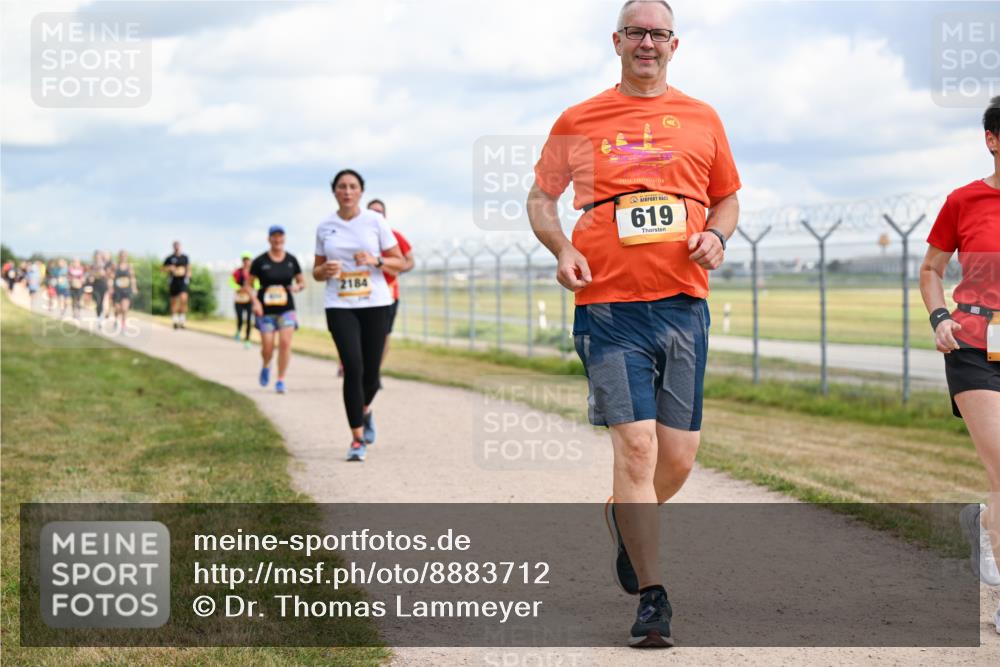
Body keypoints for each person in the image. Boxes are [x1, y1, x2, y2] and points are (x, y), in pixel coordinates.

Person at [527, 0, 740, 647]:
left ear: (675, 45)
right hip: (608, 310)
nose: (647, 42)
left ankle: (624, 514)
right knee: (638, 447)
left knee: (677, 455)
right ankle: (653, 597)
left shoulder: (703, 117)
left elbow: (728, 195)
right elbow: (541, 196)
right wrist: (562, 247)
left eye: (659, 33)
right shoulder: (580, 118)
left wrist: (716, 234)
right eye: (636, 32)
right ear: (616, 40)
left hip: (682, 305)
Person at [920, 95, 1000, 634]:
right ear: (993, 141)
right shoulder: (963, 201)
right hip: (975, 347)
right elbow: (930, 269)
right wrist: (939, 317)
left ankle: (983, 522)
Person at [314, 169, 405, 462]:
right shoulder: (325, 226)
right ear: (335, 192)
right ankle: (356, 439)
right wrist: (324, 270)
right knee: (352, 366)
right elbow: (316, 272)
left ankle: (364, 409)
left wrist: (375, 260)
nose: (347, 191)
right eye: (342, 186)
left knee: (371, 373)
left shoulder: (375, 222)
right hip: (339, 304)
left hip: (376, 302)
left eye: (353, 186)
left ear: (361, 192)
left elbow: (400, 262)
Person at [248, 227, 305, 394]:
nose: (277, 239)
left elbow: (302, 282)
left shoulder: (291, 260)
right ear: (269, 239)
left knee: (285, 344)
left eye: (280, 236)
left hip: (286, 309)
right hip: (265, 311)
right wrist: (255, 302)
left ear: (284, 239)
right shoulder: (260, 261)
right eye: (274, 236)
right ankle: (266, 364)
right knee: (267, 347)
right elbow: (248, 285)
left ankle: (280, 379)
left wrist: (297, 287)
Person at [366, 199, 415, 368]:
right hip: (363, 292)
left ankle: (374, 372)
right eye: (372, 212)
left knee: (384, 334)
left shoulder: (394, 236)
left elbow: (409, 261)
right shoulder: (359, 237)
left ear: (385, 216)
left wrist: (396, 269)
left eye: (379, 212)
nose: (376, 215)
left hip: (388, 294)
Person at [162, 241, 190, 329]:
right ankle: (175, 320)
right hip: (173, 281)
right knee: (174, 302)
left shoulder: (185, 257)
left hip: (182, 282)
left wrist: (189, 273)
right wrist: (169, 268)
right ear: (173, 247)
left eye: (178, 246)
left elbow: (188, 268)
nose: (177, 248)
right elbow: (162, 269)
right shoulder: (169, 258)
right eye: (175, 246)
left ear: (180, 247)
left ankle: (182, 321)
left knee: (183, 300)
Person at [231, 252, 255, 347]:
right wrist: (239, 288)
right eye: (244, 260)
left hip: (249, 299)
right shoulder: (237, 272)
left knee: (249, 319)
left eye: (248, 260)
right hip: (239, 299)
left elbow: (257, 284)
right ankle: (238, 330)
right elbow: (231, 282)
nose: (246, 262)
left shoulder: (253, 273)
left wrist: (252, 288)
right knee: (240, 318)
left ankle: (247, 339)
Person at [111, 250, 138, 333]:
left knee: (125, 308)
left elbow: (132, 278)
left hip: (126, 290)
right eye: (121, 256)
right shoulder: (115, 266)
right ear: (119, 256)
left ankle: (123, 326)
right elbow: (111, 277)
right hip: (117, 290)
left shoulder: (129, 266)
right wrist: (110, 287)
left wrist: (134, 287)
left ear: (126, 257)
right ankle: (116, 320)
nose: (123, 257)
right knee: (117, 308)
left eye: (124, 256)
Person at [90, 251, 111, 322]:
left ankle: (102, 315)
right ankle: (99, 315)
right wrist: (91, 277)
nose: (98, 258)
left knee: (102, 301)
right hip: (95, 285)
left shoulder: (105, 265)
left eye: (99, 257)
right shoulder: (92, 265)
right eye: (96, 257)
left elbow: (109, 275)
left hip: (103, 285)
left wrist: (104, 273)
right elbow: (90, 274)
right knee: (97, 301)